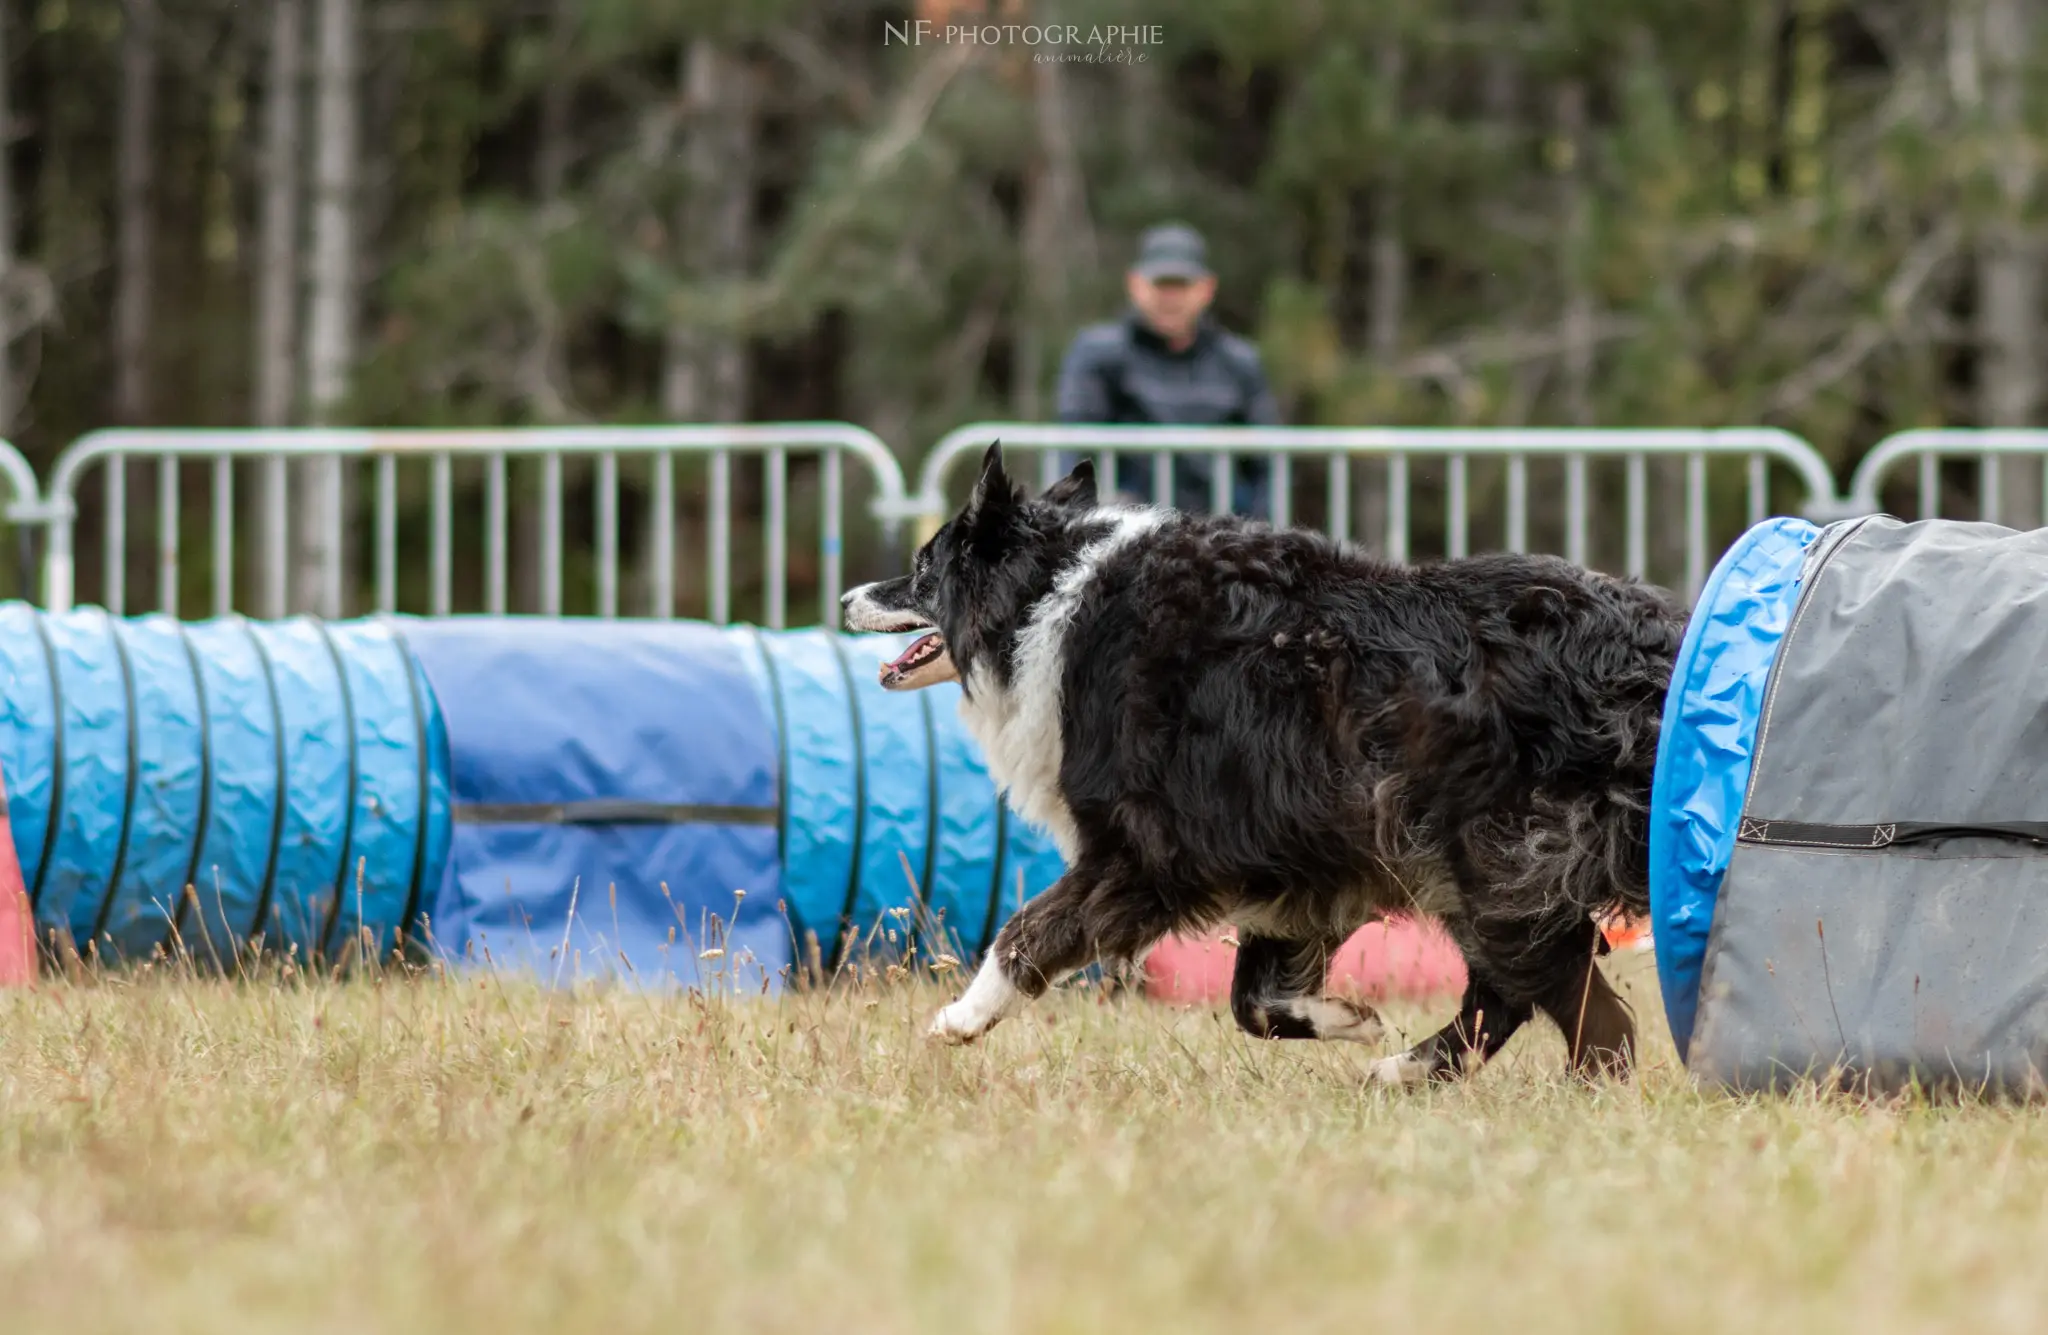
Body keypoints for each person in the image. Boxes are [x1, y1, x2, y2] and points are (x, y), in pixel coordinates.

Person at [1053, 221, 1282, 517]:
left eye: (1181, 285)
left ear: (1206, 289)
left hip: (1219, 539)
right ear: (1135, 284)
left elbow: (1269, 466)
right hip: (1129, 536)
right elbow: (1072, 449)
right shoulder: (1097, 354)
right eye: (1161, 284)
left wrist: (1258, 534)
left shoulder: (1239, 362)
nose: (1170, 298)